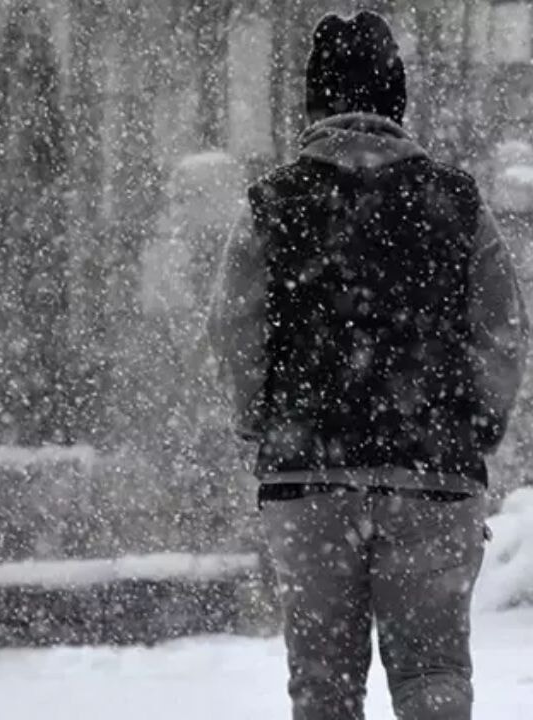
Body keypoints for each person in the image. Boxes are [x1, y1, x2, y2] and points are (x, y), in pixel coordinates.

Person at [209, 12, 528, 720]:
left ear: (314, 103)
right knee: (434, 678)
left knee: (323, 689)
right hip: (433, 474)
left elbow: (235, 330)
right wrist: (470, 425)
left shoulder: (272, 205)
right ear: (397, 102)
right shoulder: (457, 202)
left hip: (307, 476)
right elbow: (503, 330)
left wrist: (260, 421)